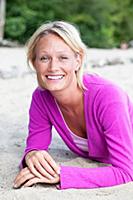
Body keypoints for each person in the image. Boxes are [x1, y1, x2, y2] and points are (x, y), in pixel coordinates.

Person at [13, 21, 133, 190]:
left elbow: (125, 172)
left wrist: (61, 175)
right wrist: (32, 156)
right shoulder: (41, 97)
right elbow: (35, 146)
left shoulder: (109, 96)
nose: (53, 67)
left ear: (78, 60)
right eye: (44, 58)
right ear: (34, 63)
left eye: (63, 58)